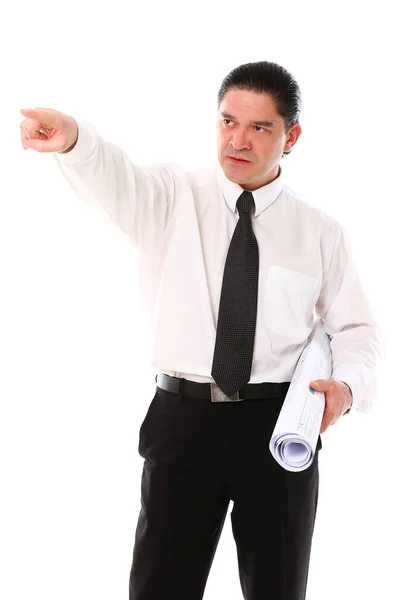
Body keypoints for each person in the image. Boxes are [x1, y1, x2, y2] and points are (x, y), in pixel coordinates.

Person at [20, 60, 384, 600]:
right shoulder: (171, 196)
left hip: (277, 426)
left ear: (292, 136)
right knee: (159, 587)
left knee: (279, 589)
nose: (238, 140)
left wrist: (348, 387)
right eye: (228, 121)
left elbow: (356, 328)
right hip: (182, 423)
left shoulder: (320, 233)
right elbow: (116, 177)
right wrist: (75, 140)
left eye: (259, 127)